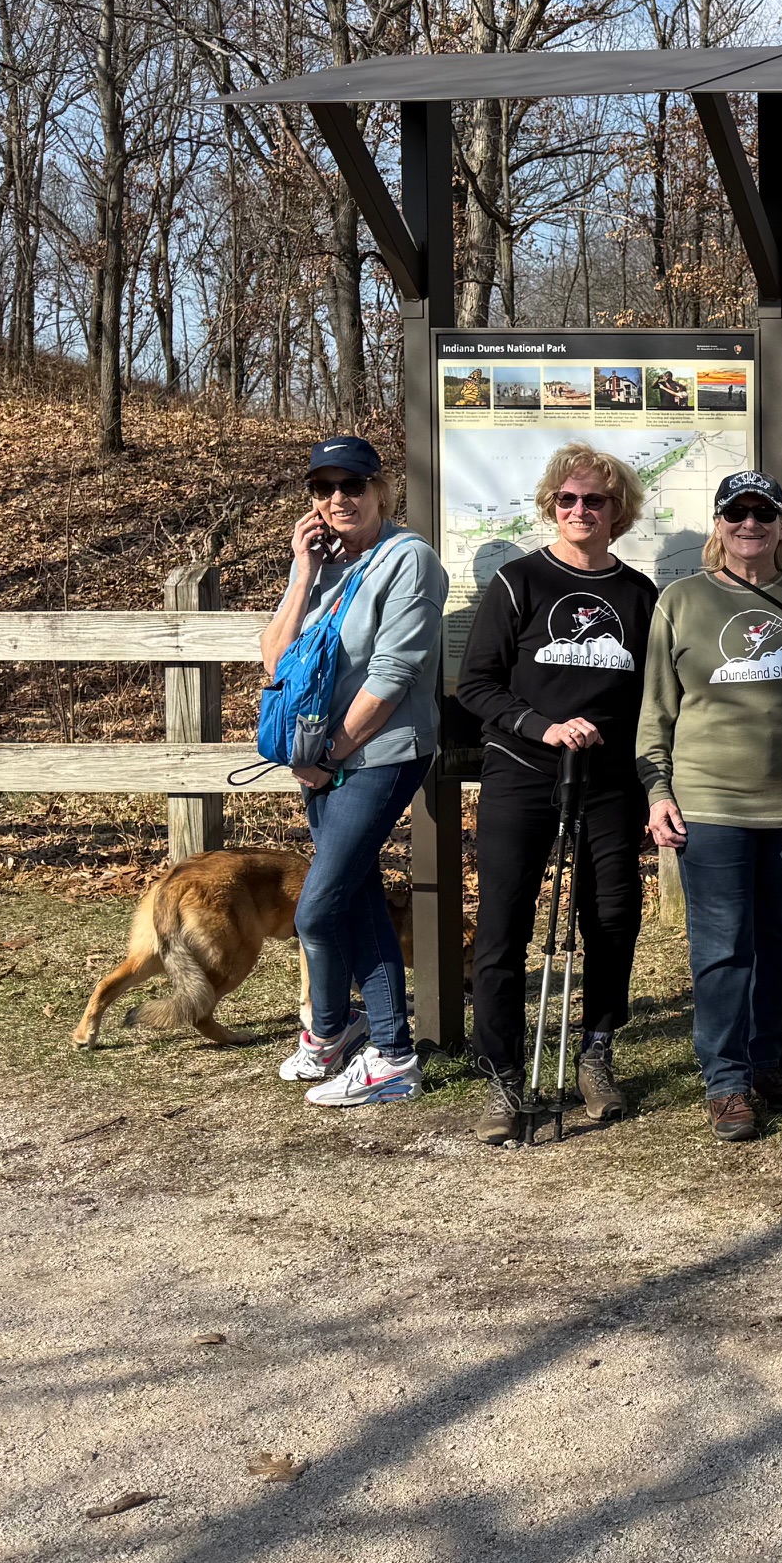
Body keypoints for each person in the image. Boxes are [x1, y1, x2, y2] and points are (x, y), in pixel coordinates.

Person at [456, 444, 657, 1143]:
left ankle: (597, 1049)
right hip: (522, 771)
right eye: (568, 500)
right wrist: (542, 727)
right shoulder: (518, 583)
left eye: (594, 502)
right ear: (552, 504)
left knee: (612, 916)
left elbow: (652, 699)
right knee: (504, 924)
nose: (580, 511)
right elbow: (476, 686)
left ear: (617, 513)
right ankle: (504, 1075)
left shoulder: (639, 596)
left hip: (608, 783)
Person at [640, 472, 782, 1142]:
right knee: (722, 947)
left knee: (781, 942)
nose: (750, 524)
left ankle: (773, 1064)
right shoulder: (681, 601)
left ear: (780, 525)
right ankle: (725, 1081)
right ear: (718, 524)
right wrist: (658, 789)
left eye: (763, 512)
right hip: (710, 801)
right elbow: (655, 710)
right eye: (737, 513)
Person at [265, 434, 449, 1108]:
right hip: (324, 760)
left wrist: (327, 757)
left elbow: (396, 675)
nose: (339, 498)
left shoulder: (410, 560)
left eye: (354, 485)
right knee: (361, 895)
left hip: (379, 754)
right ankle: (376, 1044)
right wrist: (301, 572)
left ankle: (350, 1034)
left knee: (319, 909)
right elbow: (275, 660)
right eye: (324, 488)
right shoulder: (327, 564)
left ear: (381, 490)